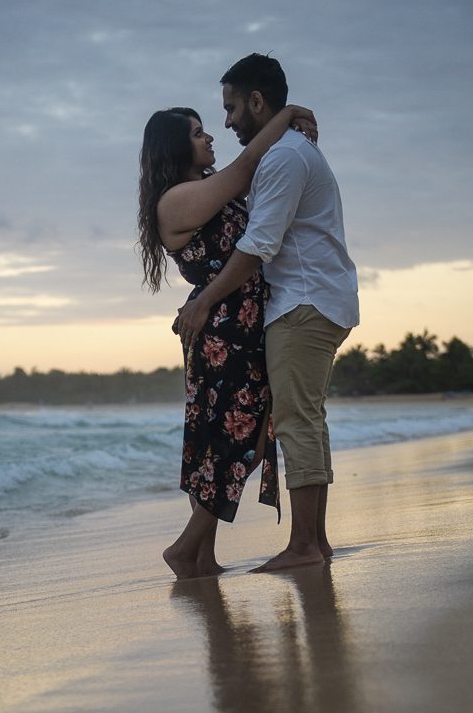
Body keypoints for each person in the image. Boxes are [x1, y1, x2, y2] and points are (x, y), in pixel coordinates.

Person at [177, 54, 360, 572]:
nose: (228, 121)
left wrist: (204, 300)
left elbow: (259, 243)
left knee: (298, 421)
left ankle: (304, 545)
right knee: (308, 418)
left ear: (258, 101)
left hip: (303, 301)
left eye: (232, 108)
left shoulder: (283, 159)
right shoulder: (285, 152)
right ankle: (315, 543)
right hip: (317, 298)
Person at [137, 99, 318, 579]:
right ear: (175, 148)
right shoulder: (176, 199)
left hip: (240, 322)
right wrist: (288, 114)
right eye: (197, 133)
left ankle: (202, 556)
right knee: (242, 439)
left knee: (225, 438)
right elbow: (245, 168)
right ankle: (184, 548)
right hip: (223, 329)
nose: (210, 137)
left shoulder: (204, 191)